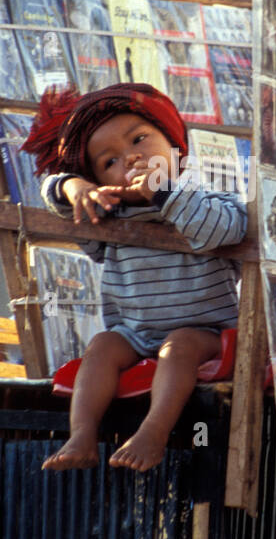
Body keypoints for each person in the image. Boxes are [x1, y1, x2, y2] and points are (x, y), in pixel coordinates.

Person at [22, 83, 247, 472]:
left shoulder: (205, 198)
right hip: (135, 333)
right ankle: (82, 433)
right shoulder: (109, 217)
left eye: (140, 139)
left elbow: (222, 231)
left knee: (176, 348)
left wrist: (165, 194)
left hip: (205, 333)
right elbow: (52, 194)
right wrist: (73, 187)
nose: (132, 158)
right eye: (110, 161)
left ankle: (153, 432)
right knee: (102, 346)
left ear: (175, 146)